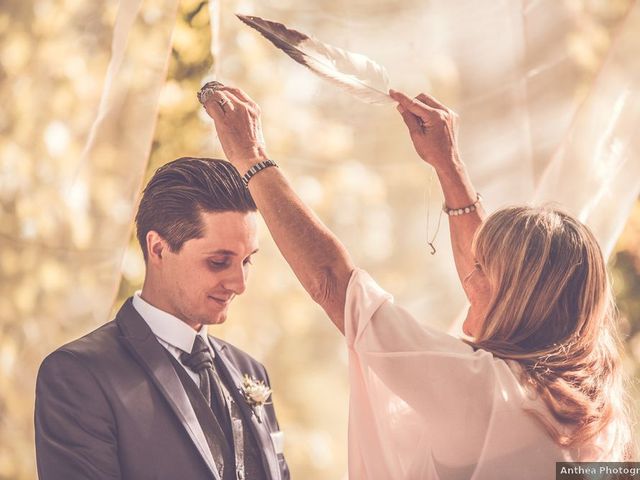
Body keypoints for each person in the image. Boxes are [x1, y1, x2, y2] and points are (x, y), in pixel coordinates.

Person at [200, 83, 635, 479]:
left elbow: (334, 282)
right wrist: (448, 165)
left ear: (518, 298)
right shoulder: (595, 415)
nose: (468, 277)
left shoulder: (484, 392)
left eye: (482, 270)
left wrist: (250, 156)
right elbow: (484, 272)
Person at [35, 158, 290, 480]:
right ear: (157, 249)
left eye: (247, 261)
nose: (239, 284)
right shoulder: (79, 374)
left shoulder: (250, 371)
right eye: (218, 261)